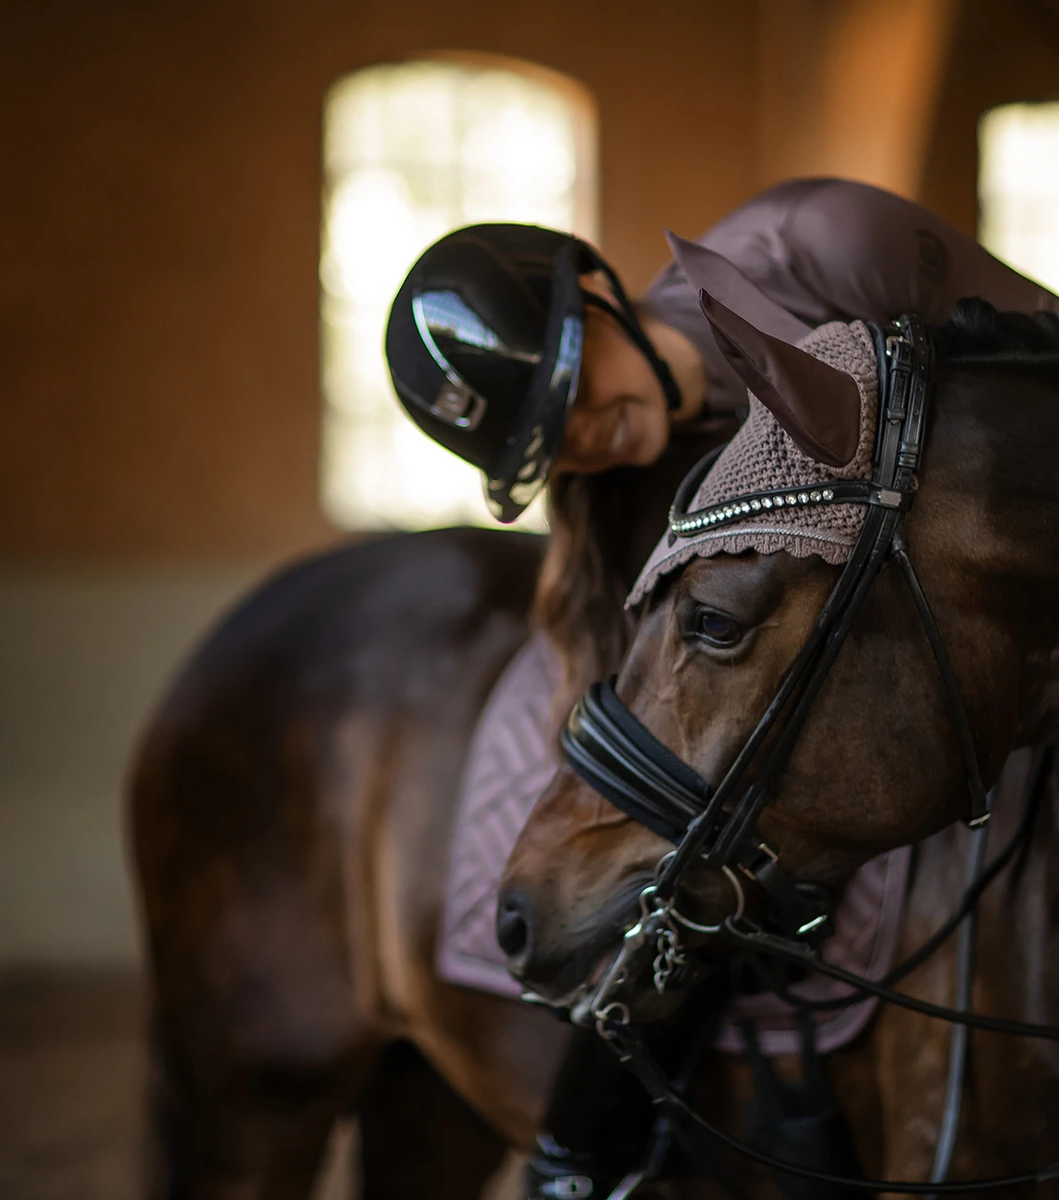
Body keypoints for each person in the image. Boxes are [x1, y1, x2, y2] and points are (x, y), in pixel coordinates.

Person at [384, 177, 1059, 1200]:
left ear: (599, 296)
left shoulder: (822, 244)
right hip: (839, 680)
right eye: (545, 447)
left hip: (976, 617)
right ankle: (584, 1158)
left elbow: (1036, 373)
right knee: (684, 865)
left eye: (569, 392)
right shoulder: (612, 500)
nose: (582, 439)